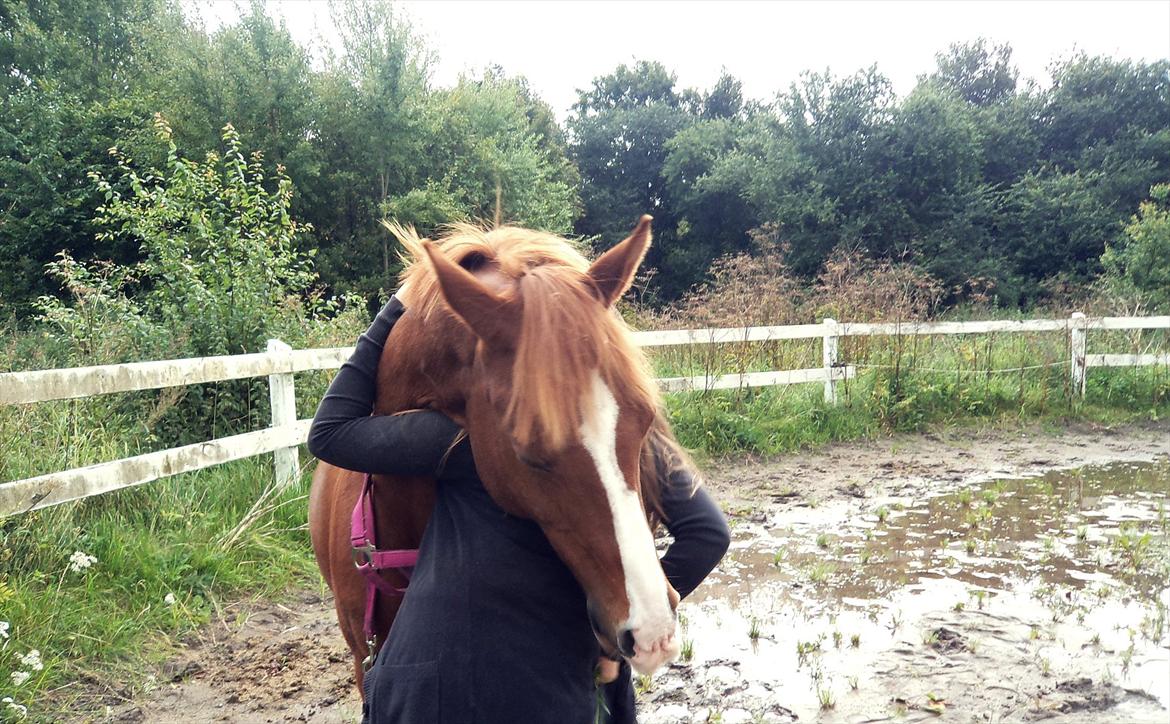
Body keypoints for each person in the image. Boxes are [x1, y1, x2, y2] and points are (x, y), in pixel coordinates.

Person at [309, 292, 730, 724]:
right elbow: (709, 533)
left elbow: (331, 433)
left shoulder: (470, 440)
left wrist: (401, 301)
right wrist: (618, 624)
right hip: (579, 681)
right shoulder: (626, 418)